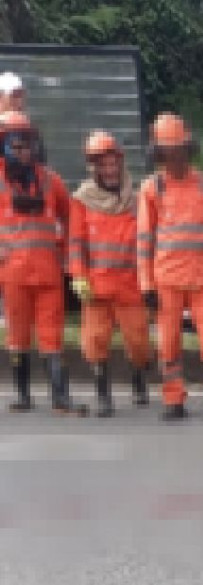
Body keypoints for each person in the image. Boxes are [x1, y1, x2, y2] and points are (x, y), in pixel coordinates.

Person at [137, 112, 203, 425]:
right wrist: (146, 284)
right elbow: (144, 239)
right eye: (167, 152)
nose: (174, 158)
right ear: (159, 153)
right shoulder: (152, 188)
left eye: (178, 151)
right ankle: (173, 399)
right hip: (167, 280)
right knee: (168, 343)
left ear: (187, 149)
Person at [0, 112, 86, 415]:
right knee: (18, 336)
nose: (25, 152)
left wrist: (68, 254)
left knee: (52, 336)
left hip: (48, 273)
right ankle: (23, 395)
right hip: (12, 274)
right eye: (18, 145)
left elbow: (72, 217)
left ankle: (60, 397)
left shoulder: (51, 181)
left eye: (28, 145)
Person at [69, 131, 151, 417]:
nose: (110, 169)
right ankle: (103, 395)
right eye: (103, 164)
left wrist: (148, 279)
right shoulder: (81, 200)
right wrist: (78, 275)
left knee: (139, 343)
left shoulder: (137, 199)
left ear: (120, 162)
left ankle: (139, 378)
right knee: (95, 342)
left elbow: (147, 241)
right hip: (97, 286)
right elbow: (76, 242)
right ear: (94, 168)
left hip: (130, 285)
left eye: (113, 162)